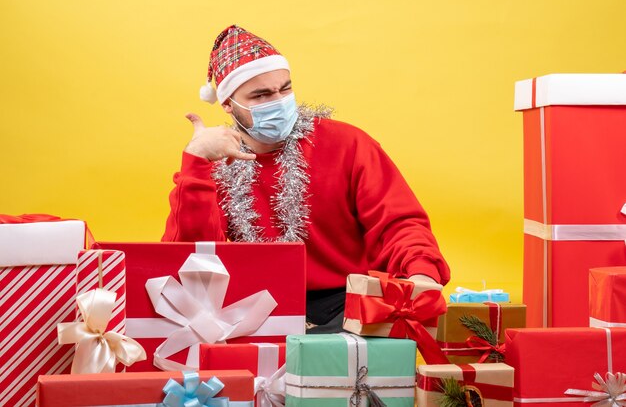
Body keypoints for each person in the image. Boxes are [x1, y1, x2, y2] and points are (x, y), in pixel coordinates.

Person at [162, 25, 450, 333]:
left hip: (347, 301)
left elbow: (398, 222)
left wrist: (422, 274)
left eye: (284, 89)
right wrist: (196, 162)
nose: (278, 100)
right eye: (261, 95)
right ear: (228, 104)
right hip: (256, 305)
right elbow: (190, 263)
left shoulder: (347, 144)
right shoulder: (217, 163)